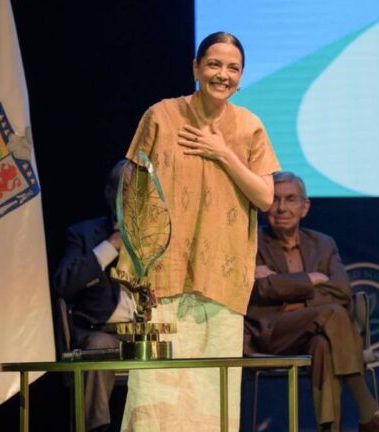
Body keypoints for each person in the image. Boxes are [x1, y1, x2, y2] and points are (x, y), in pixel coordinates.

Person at [117, 31, 280, 431]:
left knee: (212, 394)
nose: (222, 75)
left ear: (241, 78)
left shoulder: (249, 126)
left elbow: (265, 197)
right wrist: (136, 272)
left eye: (232, 68)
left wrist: (223, 153)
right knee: (157, 395)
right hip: (163, 278)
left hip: (221, 280)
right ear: (195, 67)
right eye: (214, 64)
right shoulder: (161, 116)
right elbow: (133, 197)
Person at [245, 171, 379, 432]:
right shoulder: (252, 242)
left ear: (305, 207)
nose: (281, 207)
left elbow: (342, 290)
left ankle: (329, 429)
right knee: (332, 314)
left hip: (312, 333)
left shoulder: (323, 243)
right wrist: (310, 278)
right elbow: (261, 290)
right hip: (271, 333)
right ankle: (370, 412)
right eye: (274, 199)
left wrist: (289, 293)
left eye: (290, 199)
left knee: (323, 344)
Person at [53, 160, 135, 432]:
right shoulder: (84, 234)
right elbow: (63, 284)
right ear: (112, 195)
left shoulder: (162, 237)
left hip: (148, 333)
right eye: (128, 191)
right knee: (100, 347)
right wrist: (111, 246)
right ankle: (94, 429)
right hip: (100, 331)